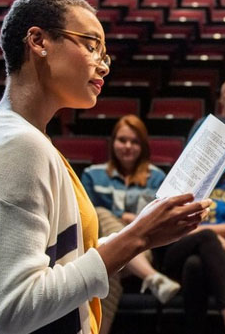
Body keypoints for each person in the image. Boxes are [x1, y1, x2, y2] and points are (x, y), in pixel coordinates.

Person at [0, 0, 210, 334]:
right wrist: (135, 239)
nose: (103, 63)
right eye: (91, 45)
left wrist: (141, 232)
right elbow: (14, 308)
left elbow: (66, 261)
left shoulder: (8, 134)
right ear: (38, 41)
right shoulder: (18, 146)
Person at [79, 115, 181, 334]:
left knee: (106, 260)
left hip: (142, 249)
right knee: (107, 261)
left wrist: (132, 221)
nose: (128, 146)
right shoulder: (92, 175)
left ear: (143, 146)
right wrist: (123, 217)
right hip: (100, 248)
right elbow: (86, 221)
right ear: (113, 142)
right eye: (122, 140)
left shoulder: (156, 178)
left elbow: (160, 221)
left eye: (134, 142)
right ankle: (152, 278)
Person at [155, 173, 225, 334]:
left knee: (195, 265)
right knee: (206, 238)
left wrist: (207, 234)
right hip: (178, 254)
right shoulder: (179, 181)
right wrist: (215, 238)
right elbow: (168, 224)